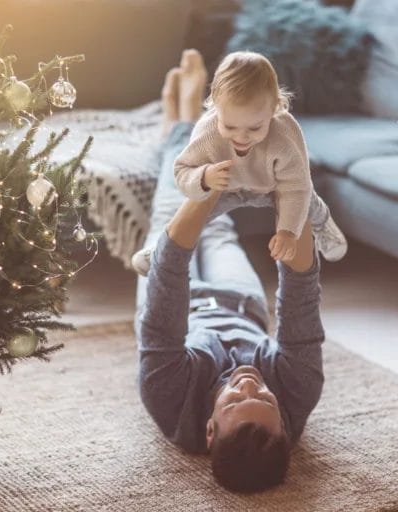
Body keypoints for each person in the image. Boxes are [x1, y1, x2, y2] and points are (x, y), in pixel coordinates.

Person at [135, 50, 326, 493]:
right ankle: (189, 123)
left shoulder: (169, 401)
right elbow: (301, 295)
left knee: (170, 202)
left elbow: (167, 277)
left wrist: (202, 184)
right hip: (240, 303)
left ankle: (179, 123)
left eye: (237, 400)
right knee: (219, 229)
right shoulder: (299, 394)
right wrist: (292, 223)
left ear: (208, 429)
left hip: (179, 310)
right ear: (284, 423)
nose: (249, 385)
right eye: (265, 399)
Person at [131, 50, 347, 276]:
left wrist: (287, 232)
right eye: (230, 127)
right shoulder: (208, 132)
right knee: (190, 215)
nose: (241, 137)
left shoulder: (284, 136)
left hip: (274, 185)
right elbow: (182, 171)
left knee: (307, 199)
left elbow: (295, 187)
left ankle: (324, 224)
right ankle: (161, 249)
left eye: (254, 128)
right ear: (215, 107)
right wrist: (204, 177)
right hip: (229, 188)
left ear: (275, 108)